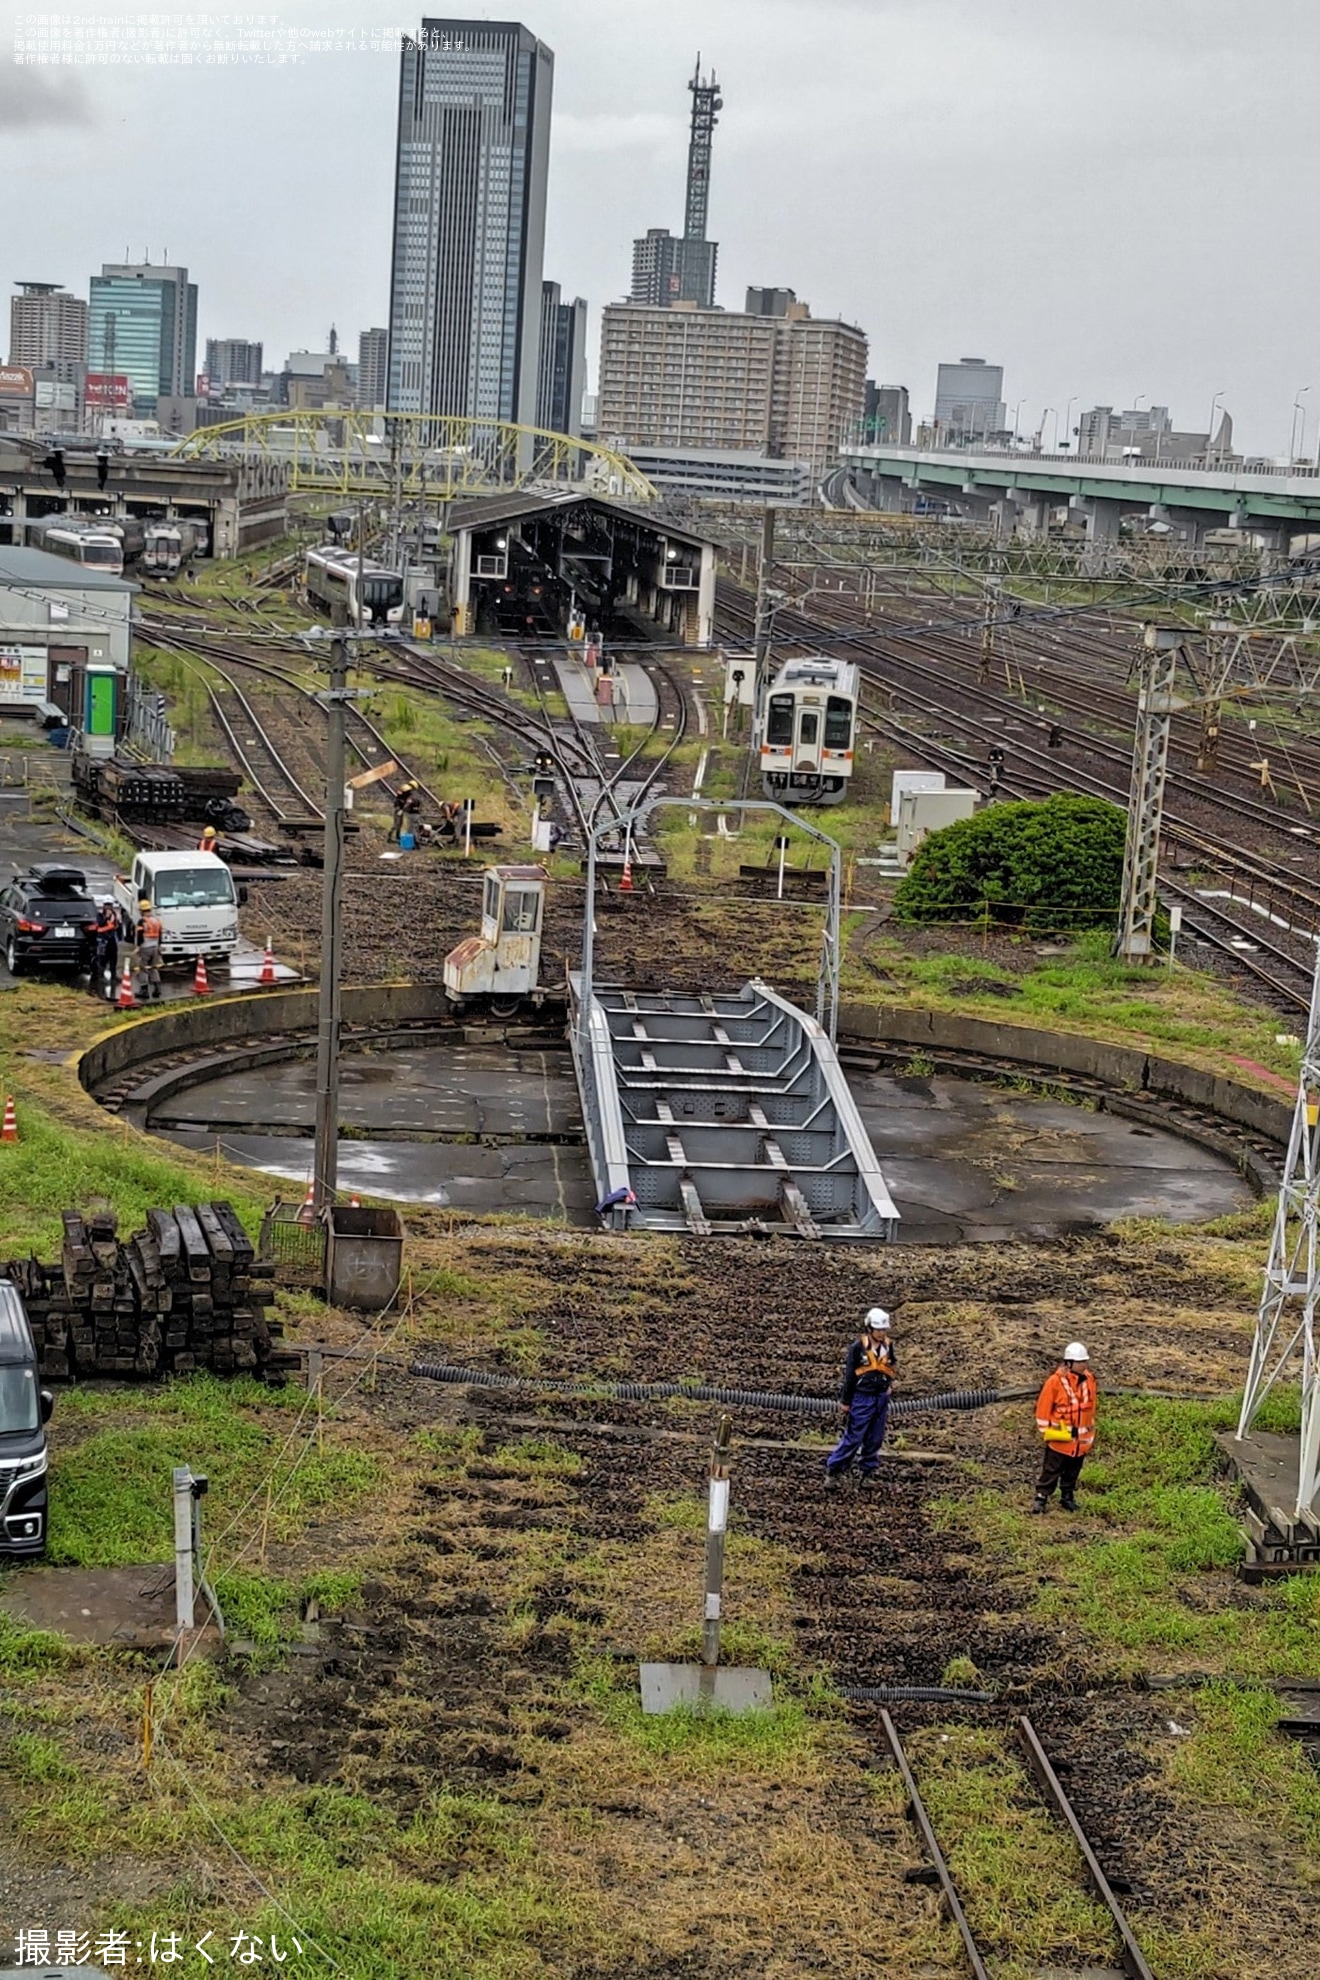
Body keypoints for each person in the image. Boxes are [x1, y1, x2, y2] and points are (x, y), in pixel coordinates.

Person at [825, 1308, 897, 1491]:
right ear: (869, 1328)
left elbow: (891, 1365)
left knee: (875, 1437)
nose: (881, 1333)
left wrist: (889, 1385)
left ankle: (867, 1473)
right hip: (862, 1397)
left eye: (883, 1330)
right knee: (854, 1436)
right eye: (878, 1329)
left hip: (880, 1397)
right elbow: (850, 1376)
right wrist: (846, 1401)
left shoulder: (888, 1346)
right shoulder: (857, 1348)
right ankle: (834, 1470)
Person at [1031, 1343, 1096, 1513]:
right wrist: (1048, 1433)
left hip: (1081, 1441)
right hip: (1060, 1437)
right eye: (1080, 1362)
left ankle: (1067, 1497)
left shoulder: (1089, 1380)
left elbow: (1091, 1407)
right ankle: (1041, 1498)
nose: (1084, 1365)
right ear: (1069, 1363)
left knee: (1072, 1471)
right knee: (1051, 1470)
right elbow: (1043, 1409)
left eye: (1085, 1361)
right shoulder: (1054, 1382)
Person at [86, 898, 120, 998]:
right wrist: (107, 918)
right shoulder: (100, 915)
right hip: (102, 940)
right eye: (107, 905)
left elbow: (116, 926)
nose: (109, 907)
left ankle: (114, 976)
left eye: (110, 905)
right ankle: (101, 976)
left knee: (113, 958)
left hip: (112, 940)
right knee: (102, 959)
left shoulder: (114, 915)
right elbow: (100, 925)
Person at [134, 895, 163, 1002]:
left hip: (145, 948)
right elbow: (160, 935)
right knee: (154, 968)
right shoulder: (156, 920)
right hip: (155, 947)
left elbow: (140, 936)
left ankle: (144, 991)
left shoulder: (142, 922)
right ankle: (157, 989)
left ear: (142, 911)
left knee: (143, 969)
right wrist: (159, 946)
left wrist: (138, 947)